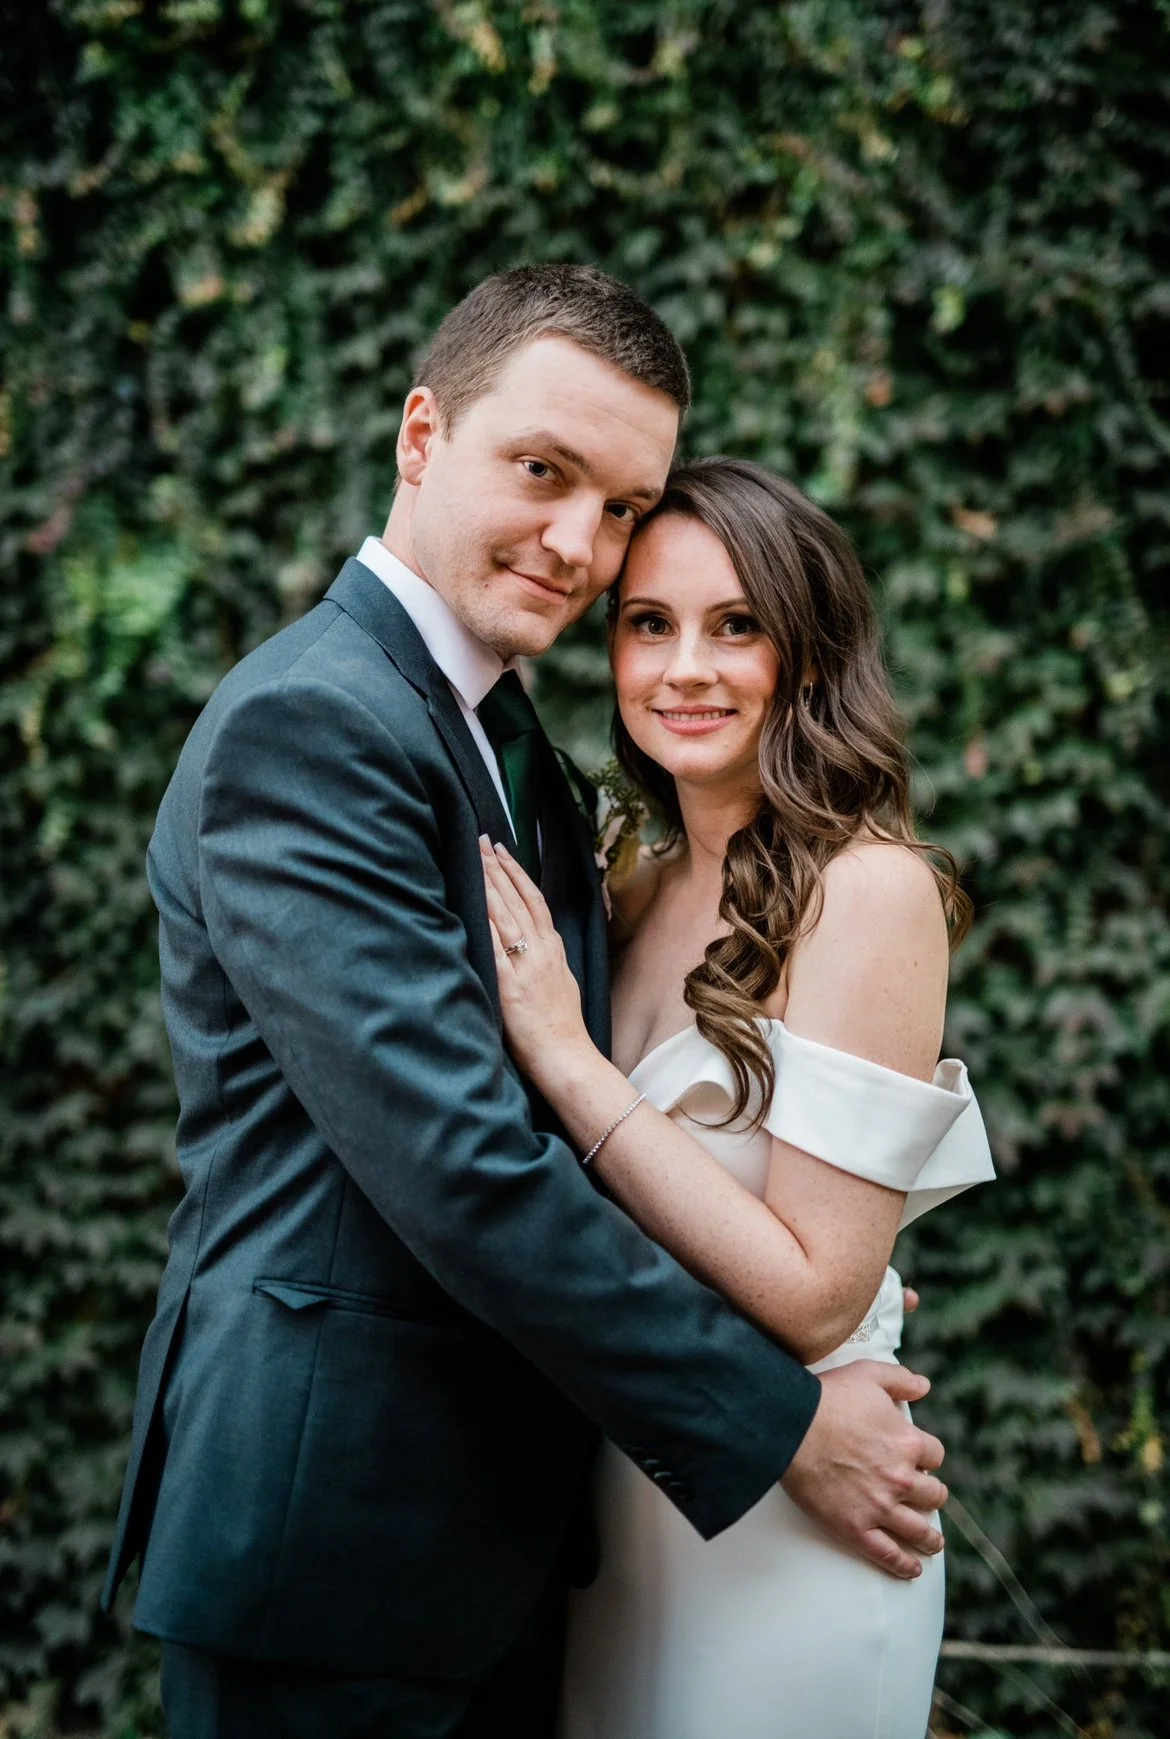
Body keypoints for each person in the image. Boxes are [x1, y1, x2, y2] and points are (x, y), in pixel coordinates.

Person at [103, 267, 954, 1739]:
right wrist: (779, 1414)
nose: (578, 544)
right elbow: (466, 1163)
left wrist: (820, 1293)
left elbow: (607, 1128)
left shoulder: (513, 748)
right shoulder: (319, 722)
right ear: (420, 434)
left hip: (520, 1540)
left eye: (619, 505)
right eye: (543, 472)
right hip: (341, 1536)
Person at [480, 456, 995, 1739]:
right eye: (649, 623)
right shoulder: (630, 890)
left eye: (736, 625)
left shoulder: (870, 892)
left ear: (807, 654)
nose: (684, 668)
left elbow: (821, 1284)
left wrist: (571, 1062)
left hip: (792, 1530)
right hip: (632, 1495)